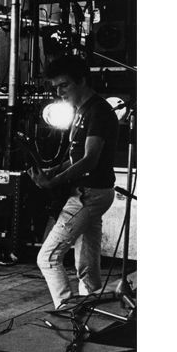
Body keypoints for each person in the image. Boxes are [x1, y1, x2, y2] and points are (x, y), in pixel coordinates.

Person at [30, 55, 118, 311]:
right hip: (92, 192)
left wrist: (54, 181)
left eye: (64, 85)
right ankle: (91, 311)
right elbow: (75, 158)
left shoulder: (99, 111)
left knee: (47, 257)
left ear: (82, 80)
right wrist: (53, 170)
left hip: (90, 193)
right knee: (87, 264)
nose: (59, 92)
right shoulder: (81, 111)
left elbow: (90, 160)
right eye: (56, 87)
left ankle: (67, 309)